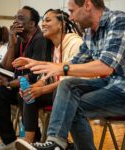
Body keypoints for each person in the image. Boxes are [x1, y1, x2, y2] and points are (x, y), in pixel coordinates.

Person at [16, 0, 125, 150]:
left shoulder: (120, 21)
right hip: (115, 85)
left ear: (87, 5)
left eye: (72, 11)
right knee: (67, 86)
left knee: (72, 105)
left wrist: (60, 68)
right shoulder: (90, 32)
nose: (70, 17)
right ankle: (56, 142)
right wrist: (43, 68)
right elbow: (75, 62)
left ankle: (58, 144)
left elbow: (105, 67)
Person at [12, 9, 83, 143]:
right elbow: (47, 74)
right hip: (58, 90)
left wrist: (42, 90)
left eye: (48, 20)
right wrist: (37, 86)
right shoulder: (52, 46)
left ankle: (57, 141)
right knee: (29, 94)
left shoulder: (75, 43)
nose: (43, 24)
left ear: (61, 24)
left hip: (75, 91)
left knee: (57, 90)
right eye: (43, 20)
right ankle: (30, 142)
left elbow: (70, 80)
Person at [0, 6, 50, 150]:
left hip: (37, 87)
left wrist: (10, 84)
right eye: (15, 17)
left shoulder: (40, 39)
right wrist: (12, 44)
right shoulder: (18, 39)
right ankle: (10, 142)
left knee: (24, 91)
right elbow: (6, 68)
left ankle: (33, 141)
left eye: (21, 18)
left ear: (32, 24)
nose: (15, 22)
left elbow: (35, 74)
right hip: (17, 85)